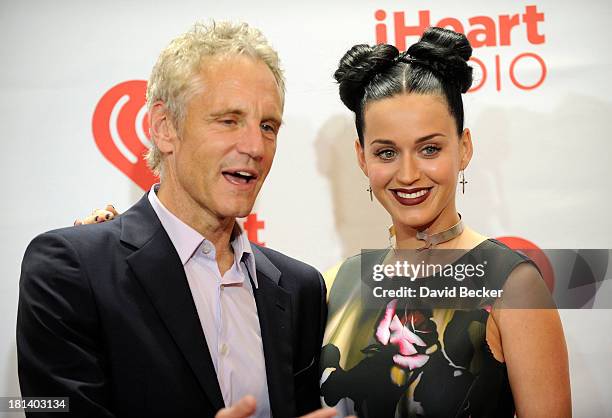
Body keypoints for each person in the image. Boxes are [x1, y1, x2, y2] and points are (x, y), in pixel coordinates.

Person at [17, 21, 335, 418]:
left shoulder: (299, 289)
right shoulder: (71, 271)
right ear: (165, 128)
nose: (255, 146)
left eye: (267, 126)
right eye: (229, 120)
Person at [319, 28, 571, 417]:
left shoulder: (513, 286)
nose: (407, 174)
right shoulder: (337, 286)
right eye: (386, 152)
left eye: (429, 149)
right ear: (362, 157)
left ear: (464, 147)